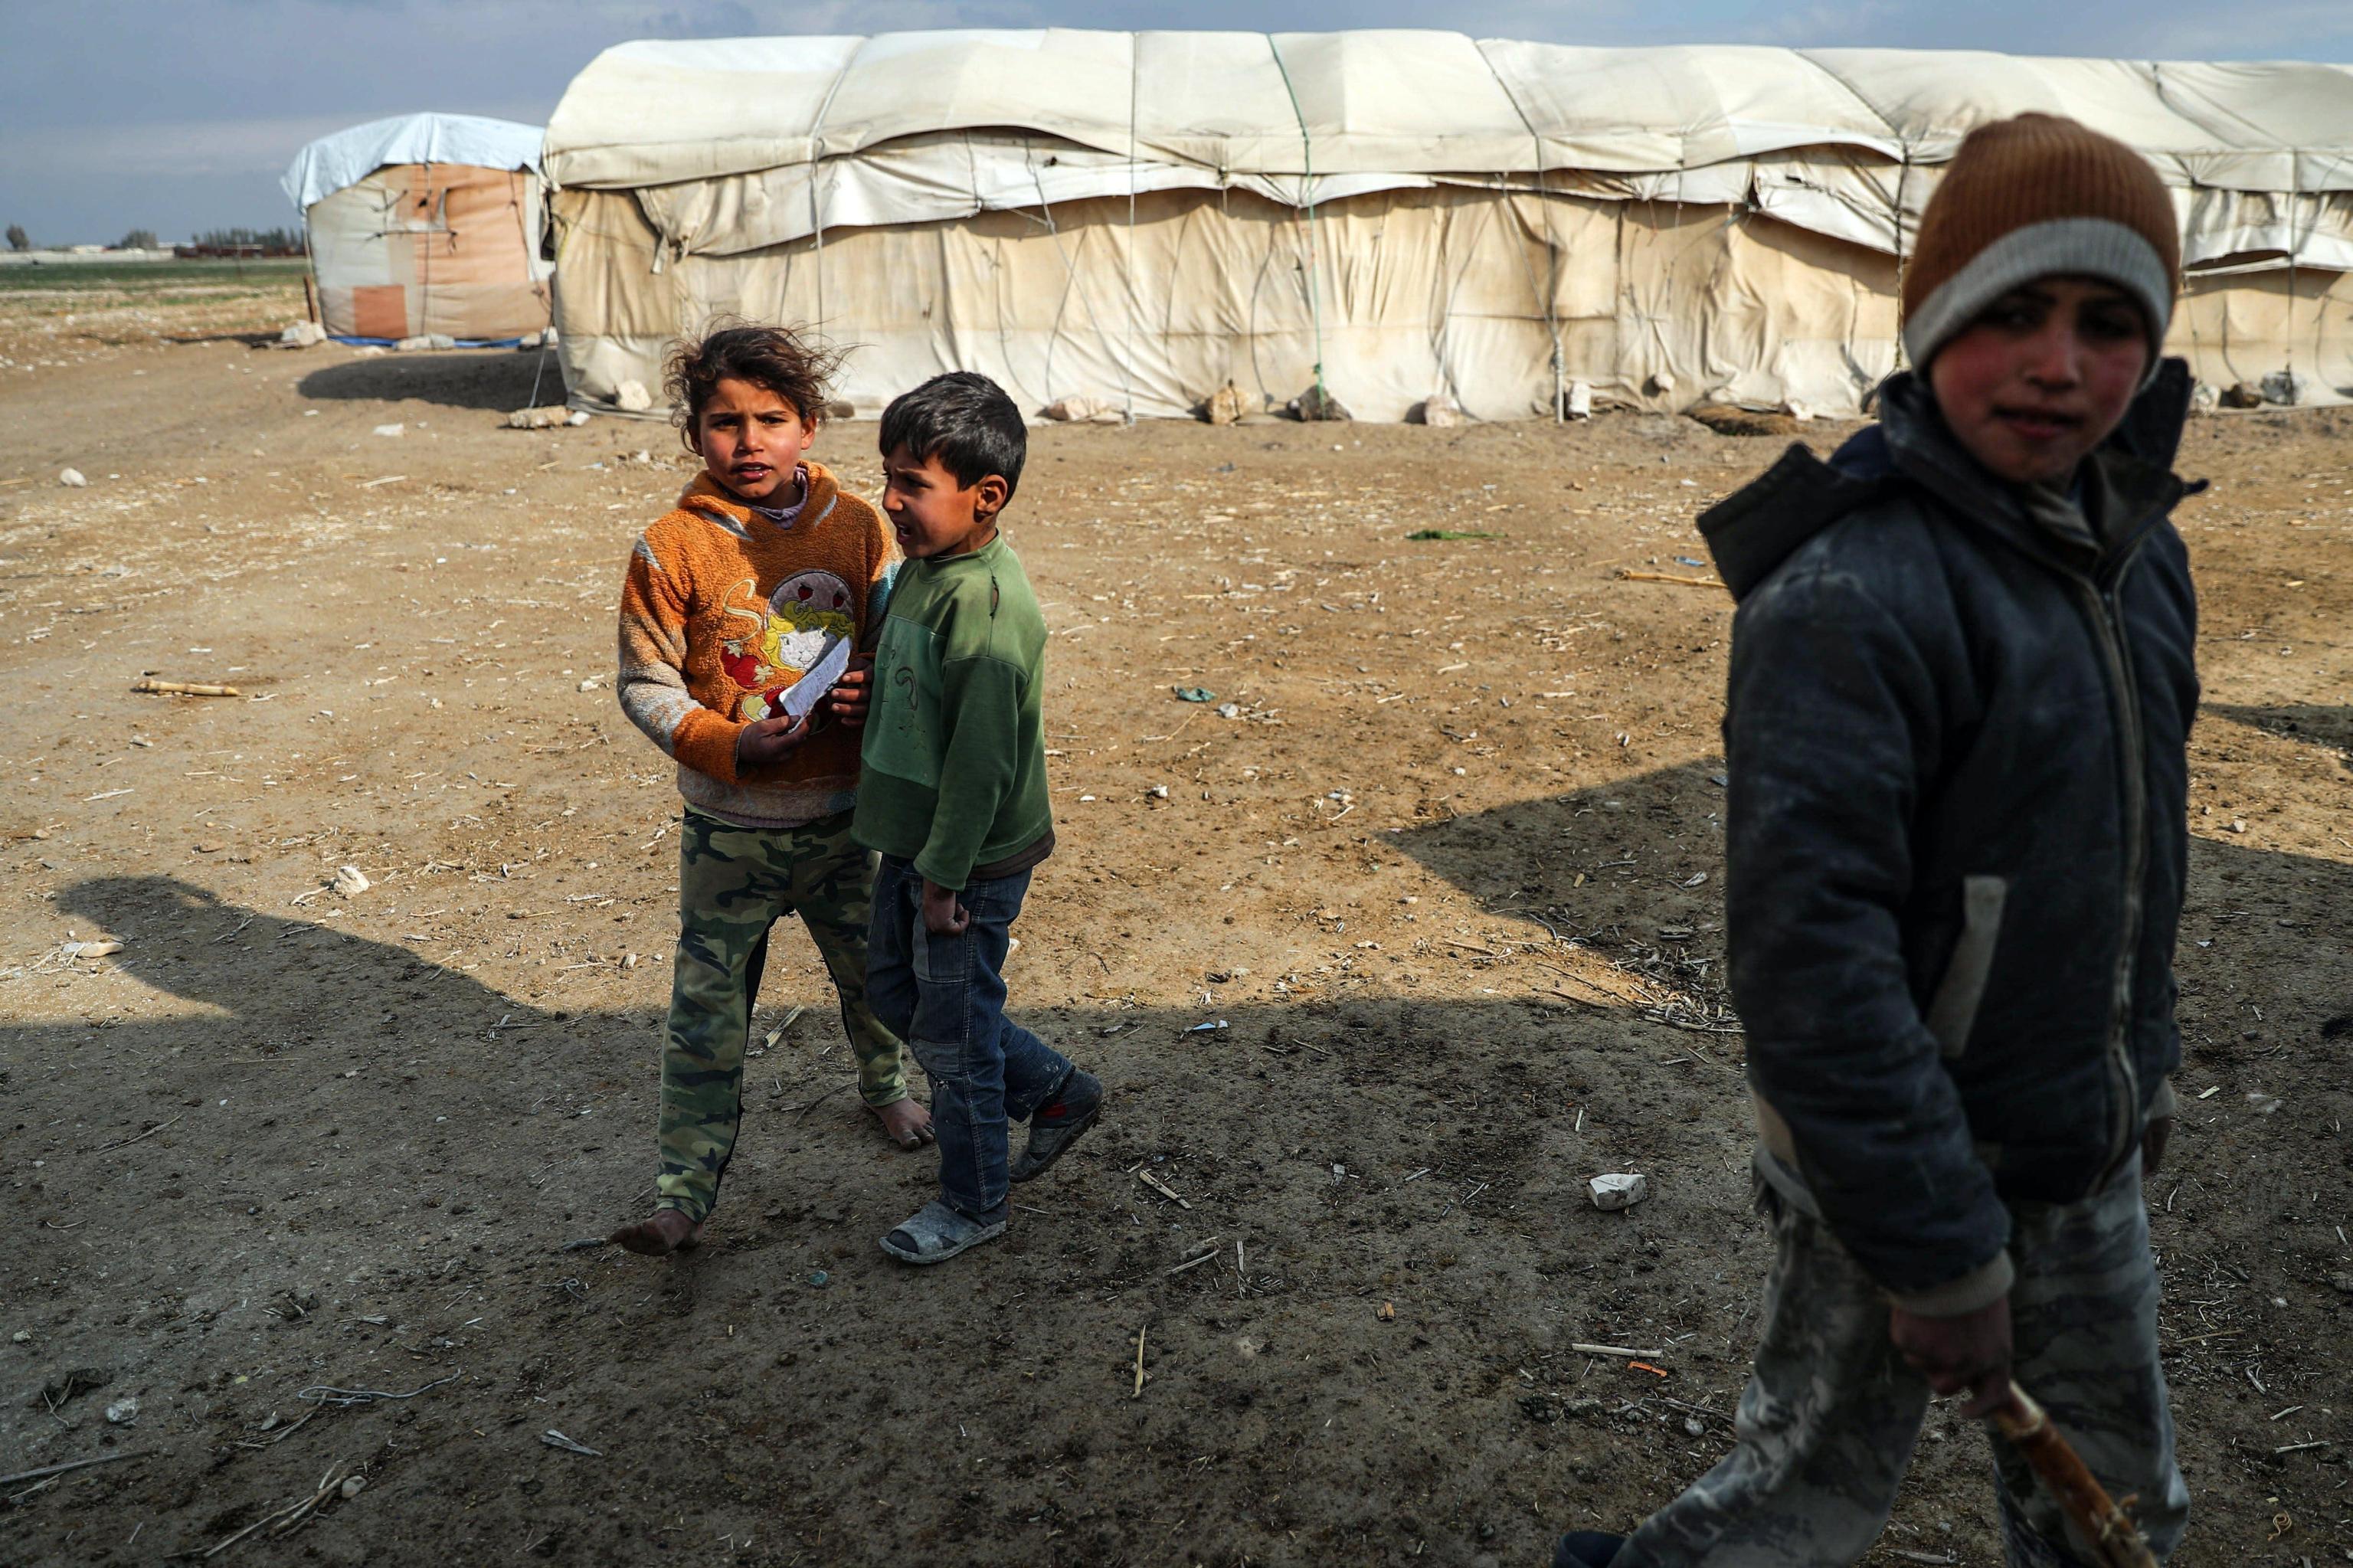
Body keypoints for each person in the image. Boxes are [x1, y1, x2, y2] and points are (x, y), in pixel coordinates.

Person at [1556, 114, 2198, 1566]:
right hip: (1885, 1167)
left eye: (2107, 325)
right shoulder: (1846, 592)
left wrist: (2139, 1061)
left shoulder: (2141, 559)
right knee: (1799, 1501)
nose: (2058, 362)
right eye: (2011, 312)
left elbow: (2135, 861)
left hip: (2074, 1142)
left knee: (2116, 1512)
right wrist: (1935, 1250)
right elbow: (1812, 962)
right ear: (1930, 321)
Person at [607, 322, 931, 1259]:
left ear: (809, 427)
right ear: (694, 433)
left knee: (874, 978)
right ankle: (681, 1194)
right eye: (724, 422)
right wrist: (729, 741)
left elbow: (891, 641)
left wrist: (871, 688)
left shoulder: (859, 527)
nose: (748, 442)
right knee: (705, 1013)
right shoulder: (670, 548)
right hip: (729, 833)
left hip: (844, 821)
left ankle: (885, 1088)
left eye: (771, 419)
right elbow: (645, 683)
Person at [855, 372, 1102, 1265]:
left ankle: (975, 1202)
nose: (890, 500)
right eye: (887, 477)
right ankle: (1057, 1090)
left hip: (965, 862)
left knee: (954, 1046)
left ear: (986, 496)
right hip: (915, 843)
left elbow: (983, 762)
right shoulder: (923, 572)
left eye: (912, 484)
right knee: (896, 995)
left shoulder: (988, 610)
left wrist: (944, 878)